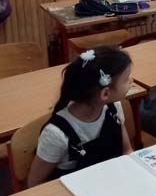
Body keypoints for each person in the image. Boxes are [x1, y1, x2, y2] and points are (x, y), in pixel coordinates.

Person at [28, 47, 134, 186]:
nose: (131, 80)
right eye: (126, 79)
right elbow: (34, 183)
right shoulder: (56, 134)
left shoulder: (113, 108)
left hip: (114, 184)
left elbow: (127, 151)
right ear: (105, 93)